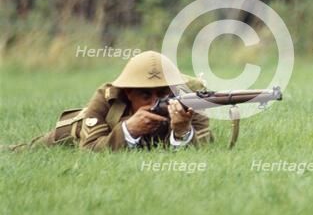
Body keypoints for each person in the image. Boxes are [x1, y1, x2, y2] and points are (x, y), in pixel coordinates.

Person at [19, 51, 212, 151]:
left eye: (162, 94)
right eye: (145, 95)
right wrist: (128, 131)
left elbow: (205, 147)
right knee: (25, 150)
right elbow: (88, 151)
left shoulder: (188, 99)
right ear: (128, 93)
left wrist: (182, 131)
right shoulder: (107, 98)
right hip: (75, 132)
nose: (155, 101)